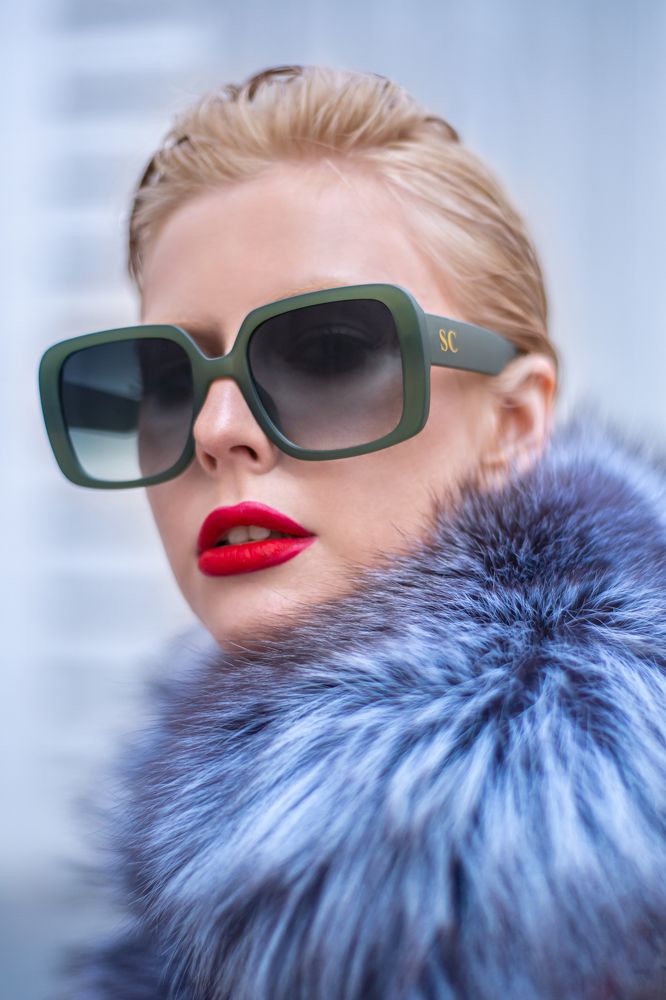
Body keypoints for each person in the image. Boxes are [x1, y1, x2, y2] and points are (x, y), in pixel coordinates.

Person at [39, 65, 666, 999]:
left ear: (515, 422)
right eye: (166, 381)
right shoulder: (201, 878)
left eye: (329, 351)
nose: (217, 430)